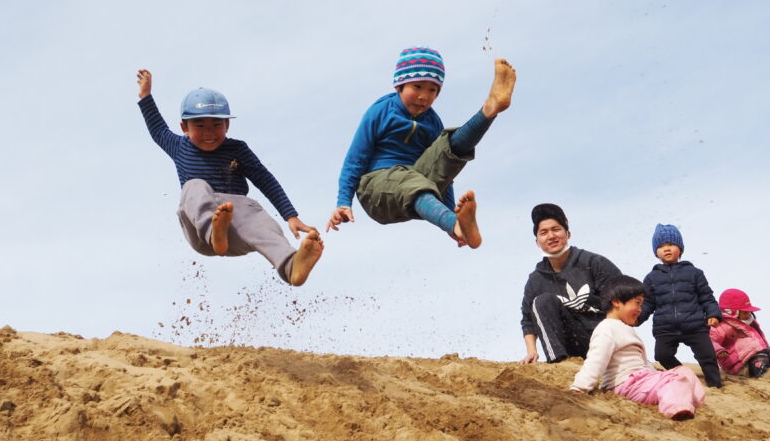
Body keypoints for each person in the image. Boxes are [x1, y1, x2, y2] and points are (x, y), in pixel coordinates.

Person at [135, 69, 323, 286]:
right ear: (184, 127)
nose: (209, 132)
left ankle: (291, 266)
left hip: (236, 231)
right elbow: (158, 129)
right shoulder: (179, 147)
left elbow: (264, 179)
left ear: (227, 125)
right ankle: (214, 230)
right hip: (201, 234)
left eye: (216, 125)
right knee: (194, 186)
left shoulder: (237, 150)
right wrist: (145, 96)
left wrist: (291, 217)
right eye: (200, 125)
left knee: (257, 214)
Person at [326, 47, 517, 248]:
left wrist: (451, 216)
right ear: (399, 85)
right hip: (376, 188)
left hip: (414, 179)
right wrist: (343, 203)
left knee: (448, 146)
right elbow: (355, 159)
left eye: (432, 90)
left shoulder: (433, 122)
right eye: (417, 86)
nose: (423, 96)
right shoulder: (381, 111)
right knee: (410, 181)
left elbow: (444, 172)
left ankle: (489, 111)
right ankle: (455, 225)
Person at [570, 275, 705, 420]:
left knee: (684, 371)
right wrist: (580, 387)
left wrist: (654, 373)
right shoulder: (607, 328)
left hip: (642, 380)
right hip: (626, 383)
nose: (640, 309)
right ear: (616, 302)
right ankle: (677, 409)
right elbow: (596, 360)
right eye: (637, 303)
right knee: (673, 379)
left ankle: (693, 402)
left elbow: (641, 360)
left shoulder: (624, 328)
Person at [520, 203, 621, 363]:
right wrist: (531, 351)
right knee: (541, 301)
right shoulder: (535, 280)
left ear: (568, 233)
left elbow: (622, 301)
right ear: (537, 242)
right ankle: (559, 362)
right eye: (544, 232)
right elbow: (527, 319)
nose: (551, 236)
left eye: (556, 229)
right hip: (570, 345)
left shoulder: (594, 263)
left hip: (603, 339)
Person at [635, 224, 724, 388]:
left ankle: (716, 385)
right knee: (662, 355)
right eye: (661, 246)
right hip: (665, 328)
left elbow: (707, 296)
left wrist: (713, 314)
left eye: (670, 244)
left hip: (695, 325)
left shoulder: (695, 273)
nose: (666, 249)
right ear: (656, 252)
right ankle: (684, 375)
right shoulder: (651, 278)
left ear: (680, 249)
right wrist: (637, 318)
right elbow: (648, 303)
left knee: (707, 356)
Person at [710, 288, 770, 382]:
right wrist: (718, 350)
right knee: (761, 359)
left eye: (749, 312)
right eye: (745, 312)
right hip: (739, 364)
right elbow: (710, 340)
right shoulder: (721, 326)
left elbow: (760, 341)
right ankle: (766, 377)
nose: (748, 315)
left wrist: (765, 349)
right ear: (731, 312)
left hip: (755, 354)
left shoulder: (749, 324)